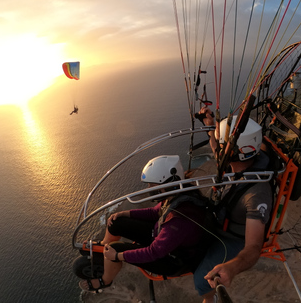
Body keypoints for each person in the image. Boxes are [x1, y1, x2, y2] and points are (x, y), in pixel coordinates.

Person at [79, 155, 209, 292]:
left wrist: (117, 256)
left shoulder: (178, 220)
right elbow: (156, 212)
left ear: (167, 183)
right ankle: (104, 250)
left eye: (153, 185)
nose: (150, 189)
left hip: (173, 260)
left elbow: (153, 252)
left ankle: (105, 280)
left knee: (115, 248)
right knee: (116, 223)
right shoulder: (177, 194)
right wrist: (125, 213)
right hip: (162, 238)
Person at [194, 107, 273, 303]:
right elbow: (217, 148)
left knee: (201, 280)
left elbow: (254, 246)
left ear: (234, 152)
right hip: (221, 221)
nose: (219, 150)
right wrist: (210, 126)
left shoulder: (256, 194)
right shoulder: (239, 163)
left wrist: (232, 267)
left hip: (233, 238)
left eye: (224, 147)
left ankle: (208, 299)